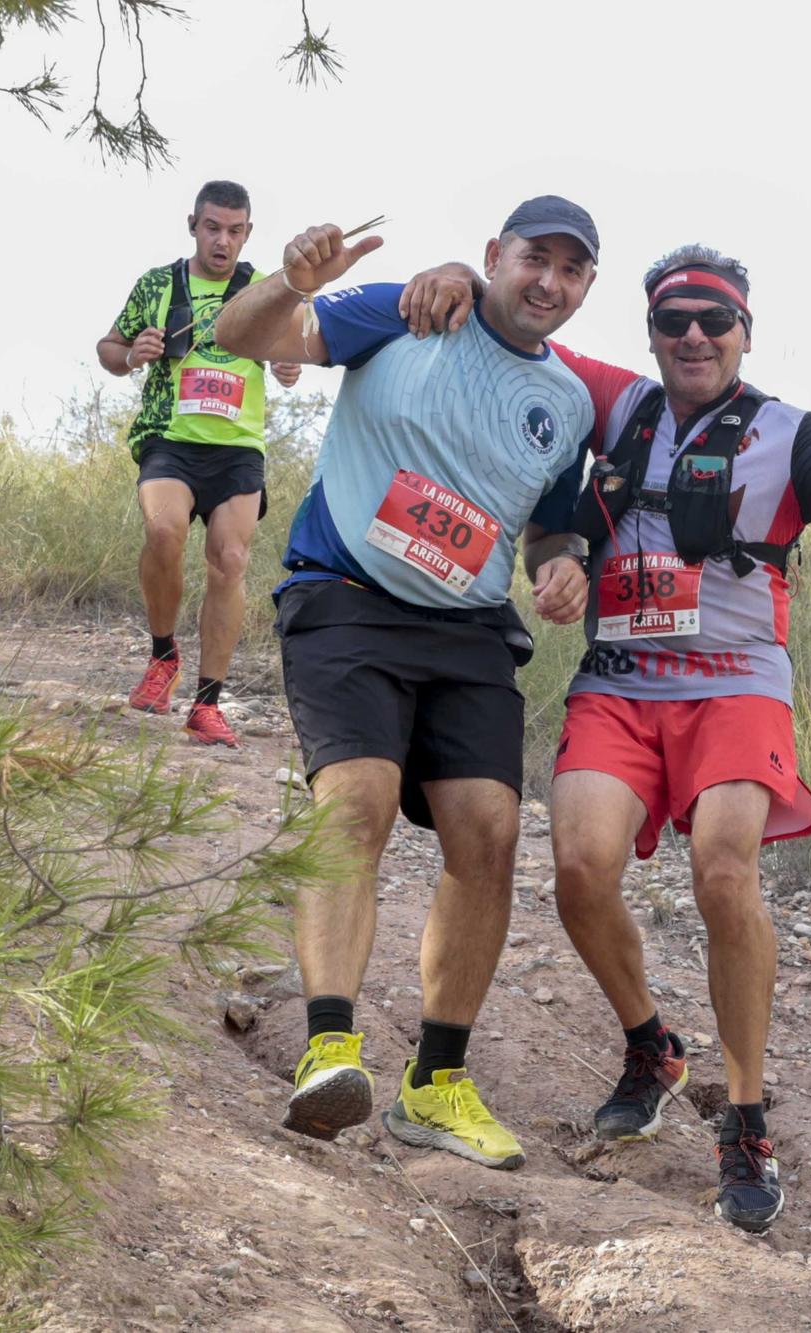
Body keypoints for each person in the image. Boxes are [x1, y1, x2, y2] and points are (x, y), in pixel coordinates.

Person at [211, 198, 601, 1169]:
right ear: (491, 257)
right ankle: (330, 1046)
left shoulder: (570, 405)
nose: (547, 281)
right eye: (532, 258)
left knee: (490, 830)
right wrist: (291, 282)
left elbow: (550, 521)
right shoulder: (410, 309)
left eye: (570, 268)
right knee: (356, 801)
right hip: (346, 594)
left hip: (467, 626)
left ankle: (437, 1084)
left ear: (584, 285)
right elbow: (241, 333)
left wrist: (562, 563)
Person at [547, 245, 811, 1231]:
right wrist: (455, 281)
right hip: (619, 684)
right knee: (579, 873)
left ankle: (744, 1120)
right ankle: (650, 1047)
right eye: (674, 321)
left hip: (735, 687)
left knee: (722, 869)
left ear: (743, 332)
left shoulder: (785, 432)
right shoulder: (614, 402)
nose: (693, 336)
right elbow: (519, 327)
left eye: (714, 320)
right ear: (651, 335)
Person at [96, 181, 303, 746]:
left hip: (237, 447)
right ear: (193, 224)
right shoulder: (158, 284)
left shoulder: (266, 290)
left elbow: (300, 345)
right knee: (163, 530)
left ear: (248, 234)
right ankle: (164, 656)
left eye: (235, 230)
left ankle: (207, 704)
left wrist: (289, 366)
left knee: (229, 559)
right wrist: (131, 353)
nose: (223, 240)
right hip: (170, 436)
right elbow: (108, 348)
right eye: (213, 227)